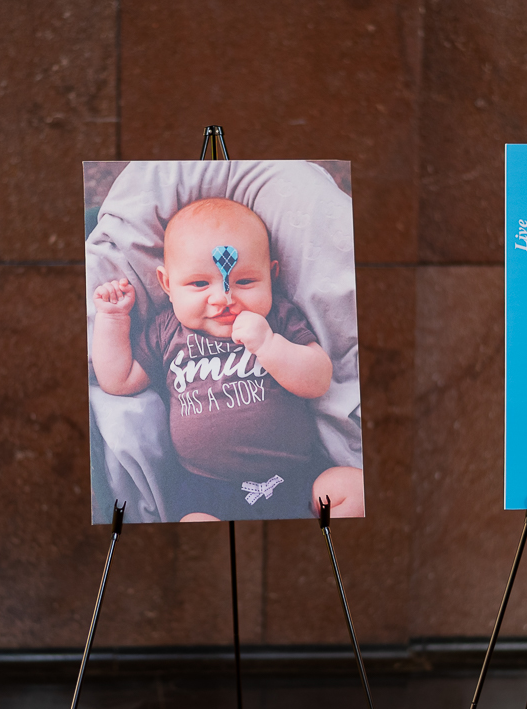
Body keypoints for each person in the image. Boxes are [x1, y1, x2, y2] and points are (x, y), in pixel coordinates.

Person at [90, 197, 363, 522]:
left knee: (354, 488)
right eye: (199, 284)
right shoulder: (167, 331)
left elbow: (318, 380)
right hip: (207, 491)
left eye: (244, 282)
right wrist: (113, 319)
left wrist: (269, 345)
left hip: (296, 477)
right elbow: (118, 380)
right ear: (167, 284)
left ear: (271, 276)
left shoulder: (277, 318)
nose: (224, 298)